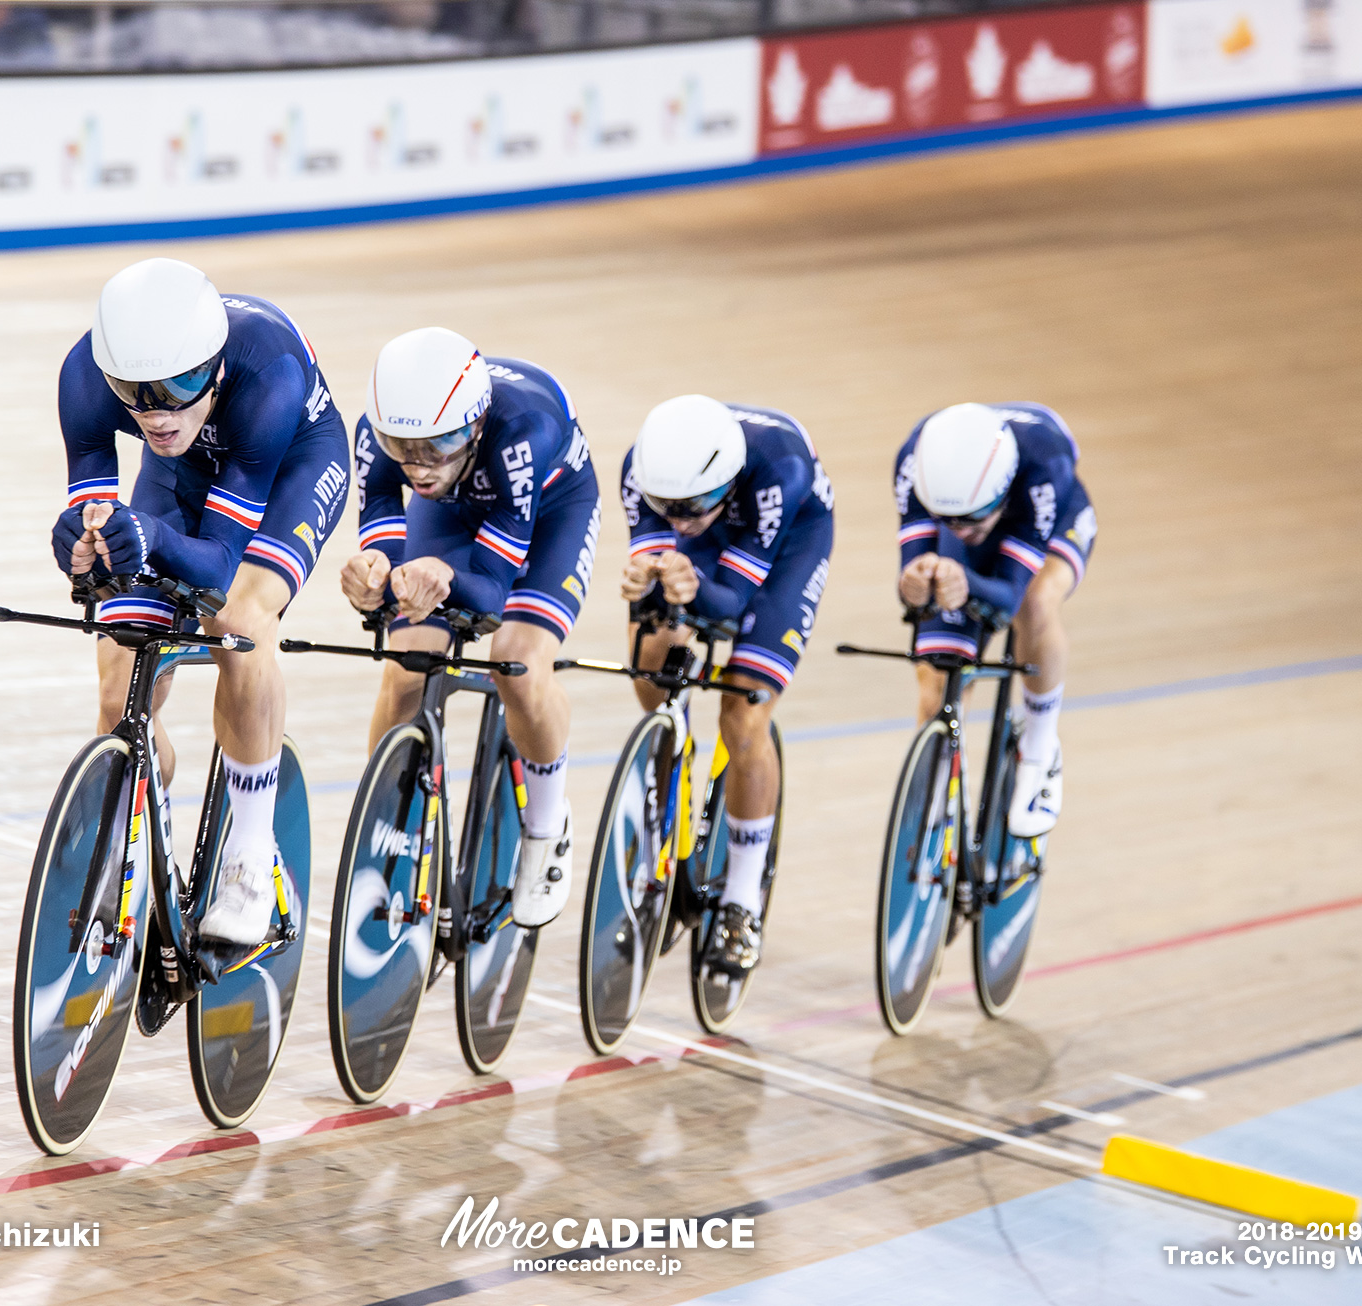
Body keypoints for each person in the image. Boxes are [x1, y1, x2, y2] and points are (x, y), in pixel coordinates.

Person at [51, 257, 351, 945]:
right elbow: (94, 524)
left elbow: (217, 564)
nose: (157, 411)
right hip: (181, 476)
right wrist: (83, 543)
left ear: (215, 367)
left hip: (289, 466)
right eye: (135, 391)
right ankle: (135, 811)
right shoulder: (86, 377)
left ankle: (249, 854)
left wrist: (143, 534)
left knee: (239, 620)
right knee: (119, 680)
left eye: (182, 385)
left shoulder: (268, 373)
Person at [339, 328, 599, 929]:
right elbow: (385, 550)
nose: (419, 465)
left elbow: (489, 591)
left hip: (551, 515)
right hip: (453, 512)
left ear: (477, 425)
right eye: (402, 447)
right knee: (406, 670)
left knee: (519, 662)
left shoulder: (521, 433)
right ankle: (386, 831)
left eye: (440, 445)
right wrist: (375, 577)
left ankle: (545, 828)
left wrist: (442, 577)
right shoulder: (382, 443)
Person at [617, 395, 835, 973]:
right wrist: (647, 578)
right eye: (668, 507)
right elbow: (661, 578)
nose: (681, 519)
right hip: (717, 541)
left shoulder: (779, 471)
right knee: (652, 655)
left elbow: (732, 606)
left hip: (787, 548)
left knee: (743, 714)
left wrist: (688, 582)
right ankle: (673, 756)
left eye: (694, 504)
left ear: (728, 479)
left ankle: (742, 899)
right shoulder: (642, 477)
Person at [892, 401, 1097, 837]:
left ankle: (1040, 750)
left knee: (1036, 602)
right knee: (937, 680)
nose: (961, 530)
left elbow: (1006, 599)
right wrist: (915, 582)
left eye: (970, 519)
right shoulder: (913, 464)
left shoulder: (1045, 462)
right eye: (949, 521)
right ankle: (943, 802)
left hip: (1051, 521)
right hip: (981, 514)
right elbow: (915, 577)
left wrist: (965, 581)